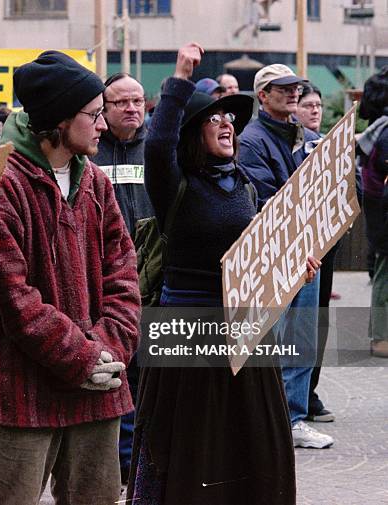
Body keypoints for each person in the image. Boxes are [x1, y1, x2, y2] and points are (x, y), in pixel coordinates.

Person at [128, 43, 301, 505]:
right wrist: (180, 79)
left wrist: (293, 267)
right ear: (192, 132)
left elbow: (260, 253)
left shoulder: (243, 183)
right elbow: (159, 142)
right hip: (187, 329)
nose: (227, 124)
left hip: (246, 330)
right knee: (190, 446)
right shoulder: (176, 184)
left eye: (232, 120)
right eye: (215, 118)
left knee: (251, 441)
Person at [0, 50, 140, 505]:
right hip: (26, 392)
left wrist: (107, 349)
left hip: (101, 386)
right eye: (94, 114)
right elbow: (11, 294)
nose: (104, 125)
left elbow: (124, 274)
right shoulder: (2, 183)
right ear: (59, 120)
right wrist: (79, 358)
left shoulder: (96, 183)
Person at [239, 64, 333, 448]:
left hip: (308, 251)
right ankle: (266, 420)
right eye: (283, 89)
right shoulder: (252, 141)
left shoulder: (307, 137)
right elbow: (263, 200)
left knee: (301, 339)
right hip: (274, 255)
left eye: (296, 87)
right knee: (272, 341)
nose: (294, 93)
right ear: (263, 95)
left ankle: (292, 419)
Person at [90, 72, 153, 485]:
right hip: (107, 284)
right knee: (118, 373)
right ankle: (121, 464)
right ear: (104, 110)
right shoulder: (92, 153)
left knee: (148, 375)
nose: (132, 109)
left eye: (137, 101)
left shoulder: (161, 150)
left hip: (153, 281)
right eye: (121, 103)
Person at [296, 82, 337, 422]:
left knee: (317, 319)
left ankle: (309, 391)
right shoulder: (290, 145)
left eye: (318, 105)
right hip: (295, 248)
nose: (314, 110)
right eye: (307, 104)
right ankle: (297, 395)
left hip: (326, 243)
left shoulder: (326, 144)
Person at [358, 67, 388, 356]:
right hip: (385, 210)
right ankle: (380, 338)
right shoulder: (387, 130)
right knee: (385, 271)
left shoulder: (379, 126)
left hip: (379, 206)